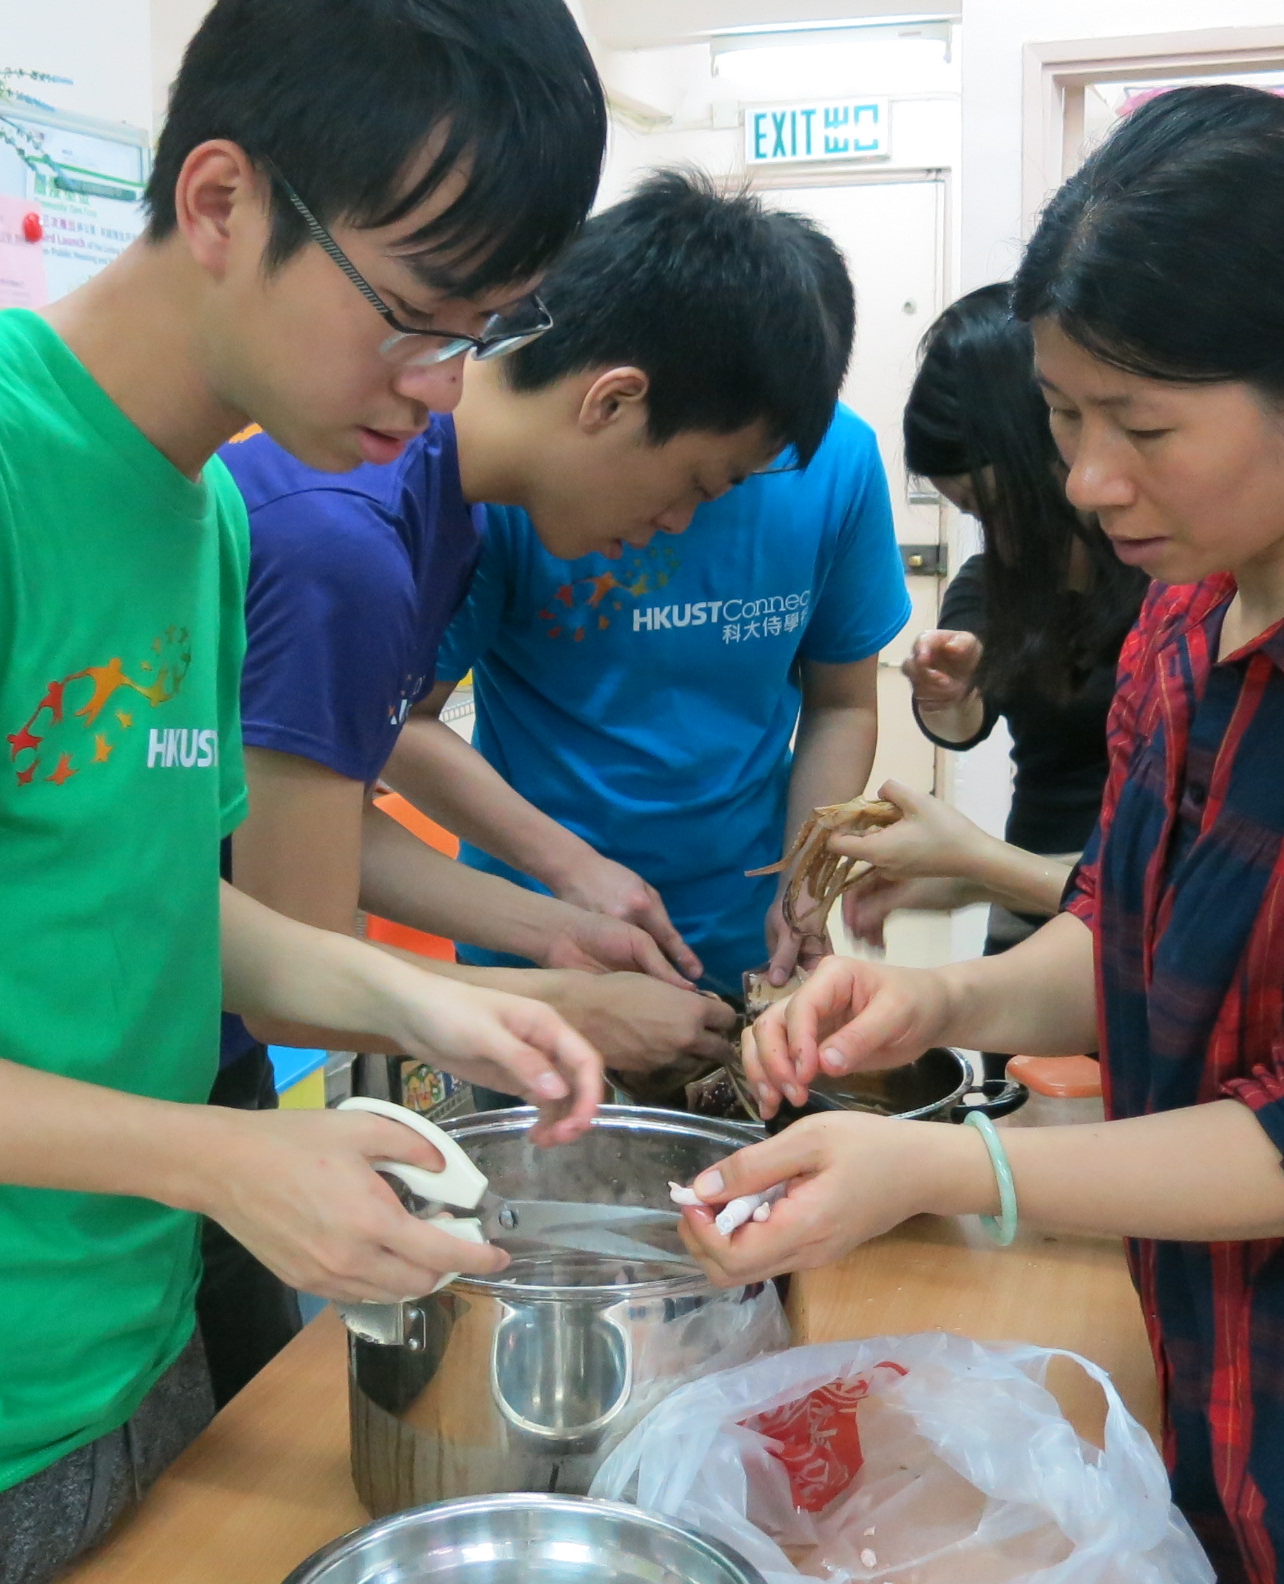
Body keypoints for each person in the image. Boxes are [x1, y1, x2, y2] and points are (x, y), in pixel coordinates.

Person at [0, 3, 612, 1577]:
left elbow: (149, 897)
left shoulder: (202, 514)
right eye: (416, 317)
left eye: (476, 336)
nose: (440, 389)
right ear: (222, 202)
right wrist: (216, 1158)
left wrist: (423, 1006)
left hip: (130, 1360)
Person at [687, 86, 1284, 1583]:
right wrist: (938, 1001)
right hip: (1210, 1372)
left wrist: (939, 1170)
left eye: (1142, 426)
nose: (1089, 480)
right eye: (1064, 416)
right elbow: (1128, 936)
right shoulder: (1189, 613)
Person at [199, 170, 841, 1381]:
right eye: (693, 486)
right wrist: (562, 1013)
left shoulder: (435, 508)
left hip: (189, 1029)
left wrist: (554, 926)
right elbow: (293, 963)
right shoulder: (348, 536)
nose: (674, 527)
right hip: (118, 1053)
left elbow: (303, 824)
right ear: (613, 399)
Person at [382, 228, 906, 1000]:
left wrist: (803, 881)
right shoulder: (486, 487)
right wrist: (570, 873)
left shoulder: (836, 463)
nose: (681, 519)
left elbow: (842, 703)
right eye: (703, 479)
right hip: (538, 937)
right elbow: (392, 727)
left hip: (741, 936)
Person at [835, 283, 1145, 962]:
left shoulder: (1185, 598)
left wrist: (973, 866)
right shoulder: (997, 584)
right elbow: (962, 723)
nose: (1000, 541)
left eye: (998, 507)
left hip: (1137, 948)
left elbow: (1170, 903)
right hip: (1041, 930)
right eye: (974, 515)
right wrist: (946, 694)